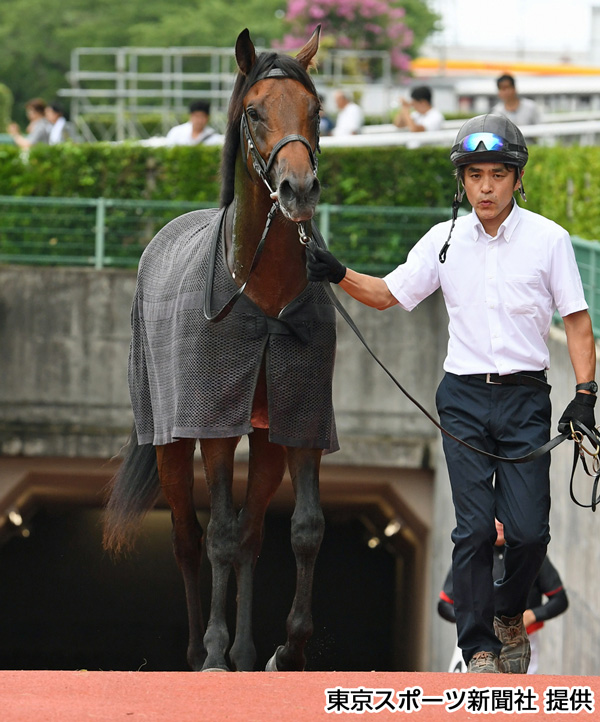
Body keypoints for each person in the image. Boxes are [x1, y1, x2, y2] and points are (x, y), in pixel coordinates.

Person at [306, 113, 596, 674]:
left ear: (517, 178)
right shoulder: (444, 240)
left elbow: (578, 322)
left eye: (497, 174)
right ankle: (480, 649)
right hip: (461, 398)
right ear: (461, 181)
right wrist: (337, 272)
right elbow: (390, 293)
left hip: (525, 400)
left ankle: (510, 616)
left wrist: (584, 393)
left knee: (531, 531)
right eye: (474, 175)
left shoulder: (549, 240)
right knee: (471, 528)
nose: (485, 187)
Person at [438, 520, 569, 674]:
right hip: (476, 639)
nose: (500, 523)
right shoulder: (469, 555)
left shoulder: (530, 555)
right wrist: (472, 620)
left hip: (520, 640)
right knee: (474, 692)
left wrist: (532, 615)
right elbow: (444, 604)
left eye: (503, 515)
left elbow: (560, 600)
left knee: (515, 693)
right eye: (494, 515)